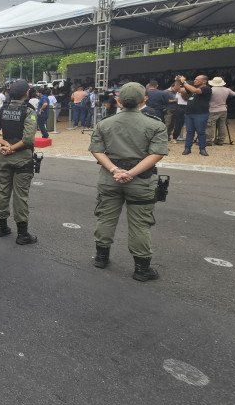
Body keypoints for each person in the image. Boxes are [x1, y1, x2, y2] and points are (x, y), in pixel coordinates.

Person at [88, 82, 168, 281]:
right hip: (141, 181)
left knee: (105, 218)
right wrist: (130, 173)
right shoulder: (155, 124)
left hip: (110, 178)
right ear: (144, 100)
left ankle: (101, 257)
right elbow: (157, 153)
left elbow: (96, 150)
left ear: (118, 101)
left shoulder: (104, 123)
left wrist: (115, 170)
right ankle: (141, 268)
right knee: (140, 224)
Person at [0, 79, 38, 245]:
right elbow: (28, 139)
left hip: (4, 158)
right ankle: (22, 234)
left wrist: (5, 145)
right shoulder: (29, 111)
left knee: (3, 191)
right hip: (22, 159)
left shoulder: (2, 109)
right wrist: (13, 148)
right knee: (20, 196)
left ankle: (1, 227)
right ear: (26, 93)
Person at [176, 74, 212, 156]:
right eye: (195, 79)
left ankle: (202, 149)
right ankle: (187, 148)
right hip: (189, 113)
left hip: (201, 114)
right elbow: (178, 89)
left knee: (201, 132)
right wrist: (177, 81)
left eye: (197, 79)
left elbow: (196, 91)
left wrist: (184, 82)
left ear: (204, 81)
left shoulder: (206, 89)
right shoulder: (192, 89)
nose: (195, 81)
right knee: (189, 132)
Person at [206, 77, 235, 146]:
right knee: (222, 125)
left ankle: (208, 140)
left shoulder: (211, 90)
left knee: (210, 125)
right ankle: (220, 140)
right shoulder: (227, 89)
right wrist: (228, 104)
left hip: (212, 109)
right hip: (223, 109)